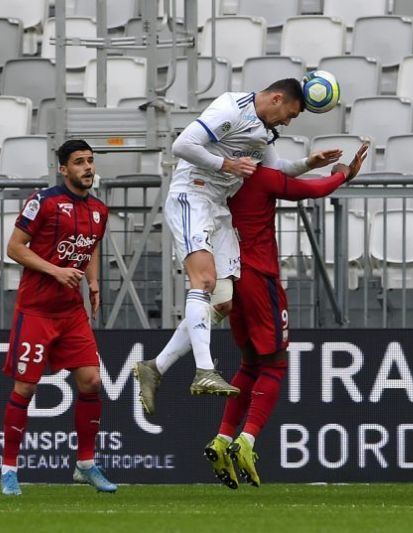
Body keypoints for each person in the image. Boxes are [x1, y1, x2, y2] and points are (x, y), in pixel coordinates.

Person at [133, 79, 342, 412]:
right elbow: (183, 145)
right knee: (203, 281)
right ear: (276, 99)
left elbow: (277, 170)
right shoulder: (231, 109)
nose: (287, 122)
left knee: (222, 303)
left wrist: (309, 164)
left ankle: (154, 368)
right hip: (193, 197)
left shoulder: (262, 131)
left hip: (219, 208)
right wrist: (226, 164)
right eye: (289, 114)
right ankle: (204, 371)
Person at [202, 144, 369, 489]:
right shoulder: (262, 179)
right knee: (275, 363)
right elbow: (313, 189)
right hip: (260, 277)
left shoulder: (219, 178)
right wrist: (341, 173)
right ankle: (246, 441)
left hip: (229, 276)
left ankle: (221, 438)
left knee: (249, 363)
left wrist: (312, 164)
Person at [0, 140, 116, 495]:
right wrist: (56, 271)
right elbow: (14, 247)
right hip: (36, 310)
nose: (87, 168)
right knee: (26, 387)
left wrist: (93, 283)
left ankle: (85, 464)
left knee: (91, 381)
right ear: (63, 169)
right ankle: (8, 470)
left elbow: (91, 246)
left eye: (90, 161)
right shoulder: (44, 202)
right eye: (79, 162)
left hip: (71, 312)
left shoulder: (99, 209)